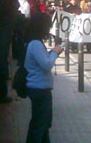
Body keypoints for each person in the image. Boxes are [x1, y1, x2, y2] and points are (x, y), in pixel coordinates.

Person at [24, 12, 63, 143]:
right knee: (39, 124)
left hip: (41, 88)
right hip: (38, 88)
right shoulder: (35, 44)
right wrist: (55, 52)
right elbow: (46, 64)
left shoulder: (36, 43)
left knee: (44, 124)